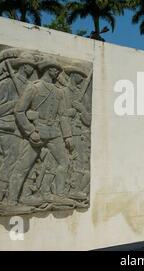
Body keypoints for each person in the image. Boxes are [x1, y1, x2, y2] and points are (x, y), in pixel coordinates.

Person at [7, 59, 74, 211]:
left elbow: (63, 115)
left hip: (54, 132)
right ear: (48, 69)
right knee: (24, 166)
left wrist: (68, 136)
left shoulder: (58, 91)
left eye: (58, 70)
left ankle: (58, 194)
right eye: (55, 69)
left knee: (64, 162)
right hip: (37, 131)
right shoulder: (34, 87)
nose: (57, 72)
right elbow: (19, 110)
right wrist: (30, 132)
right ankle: (11, 202)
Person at [0, 52, 37, 212]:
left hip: (20, 129)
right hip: (7, 127)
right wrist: (17, 103)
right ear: (23, 66)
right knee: (10, 161)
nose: (31, 69)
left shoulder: (27, 86)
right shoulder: (7, 83)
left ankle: (12, 199)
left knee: (20, 163)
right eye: (29, 65)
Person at [62, 65, 92, 201]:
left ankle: (74, 190)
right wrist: (67, 135)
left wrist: (81, 109)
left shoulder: (80, 95)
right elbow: (59, 115)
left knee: (80, 163)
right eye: (79, 75)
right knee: (67, 162)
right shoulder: (64, 92)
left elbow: (88, 120)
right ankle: (64, 191)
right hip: (66, 133)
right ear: (73, 75)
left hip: (79, 133)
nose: (81, 79)